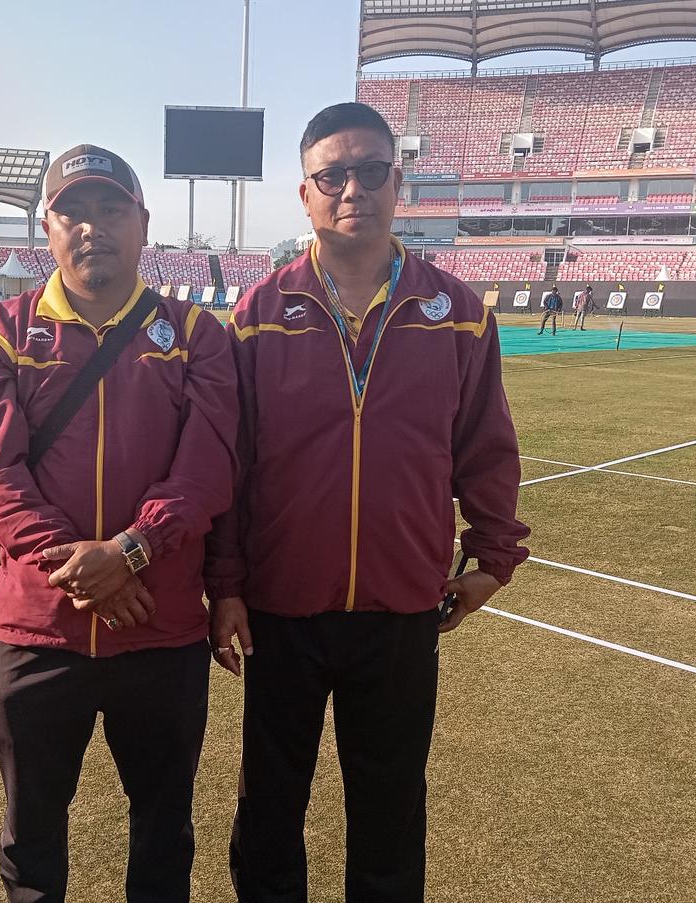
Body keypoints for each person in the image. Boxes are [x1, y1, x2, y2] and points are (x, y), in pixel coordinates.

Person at [205, 102, 530, 903]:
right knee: (271, 807)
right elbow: (229, 468)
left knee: (389, 813)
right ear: (306, 194)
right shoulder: (256, 317)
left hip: (401, 610)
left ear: (398, 180)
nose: (354, 188)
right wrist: (228, 585)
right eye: (333, 175)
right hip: (282, 611)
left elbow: (485, 445)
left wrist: (493, 557)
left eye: (371, 170)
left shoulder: (457, 313)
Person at [0, 143, 238, 903]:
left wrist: (133, 550)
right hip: (39, 631)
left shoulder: (199, 334)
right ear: (47, 226)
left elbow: (208, 469)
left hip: (162, 631)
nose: (92, 226)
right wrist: (88, 571)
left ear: (143, 226)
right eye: (73, 210)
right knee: (31, 836)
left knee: (163, 835)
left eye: (111, 209)